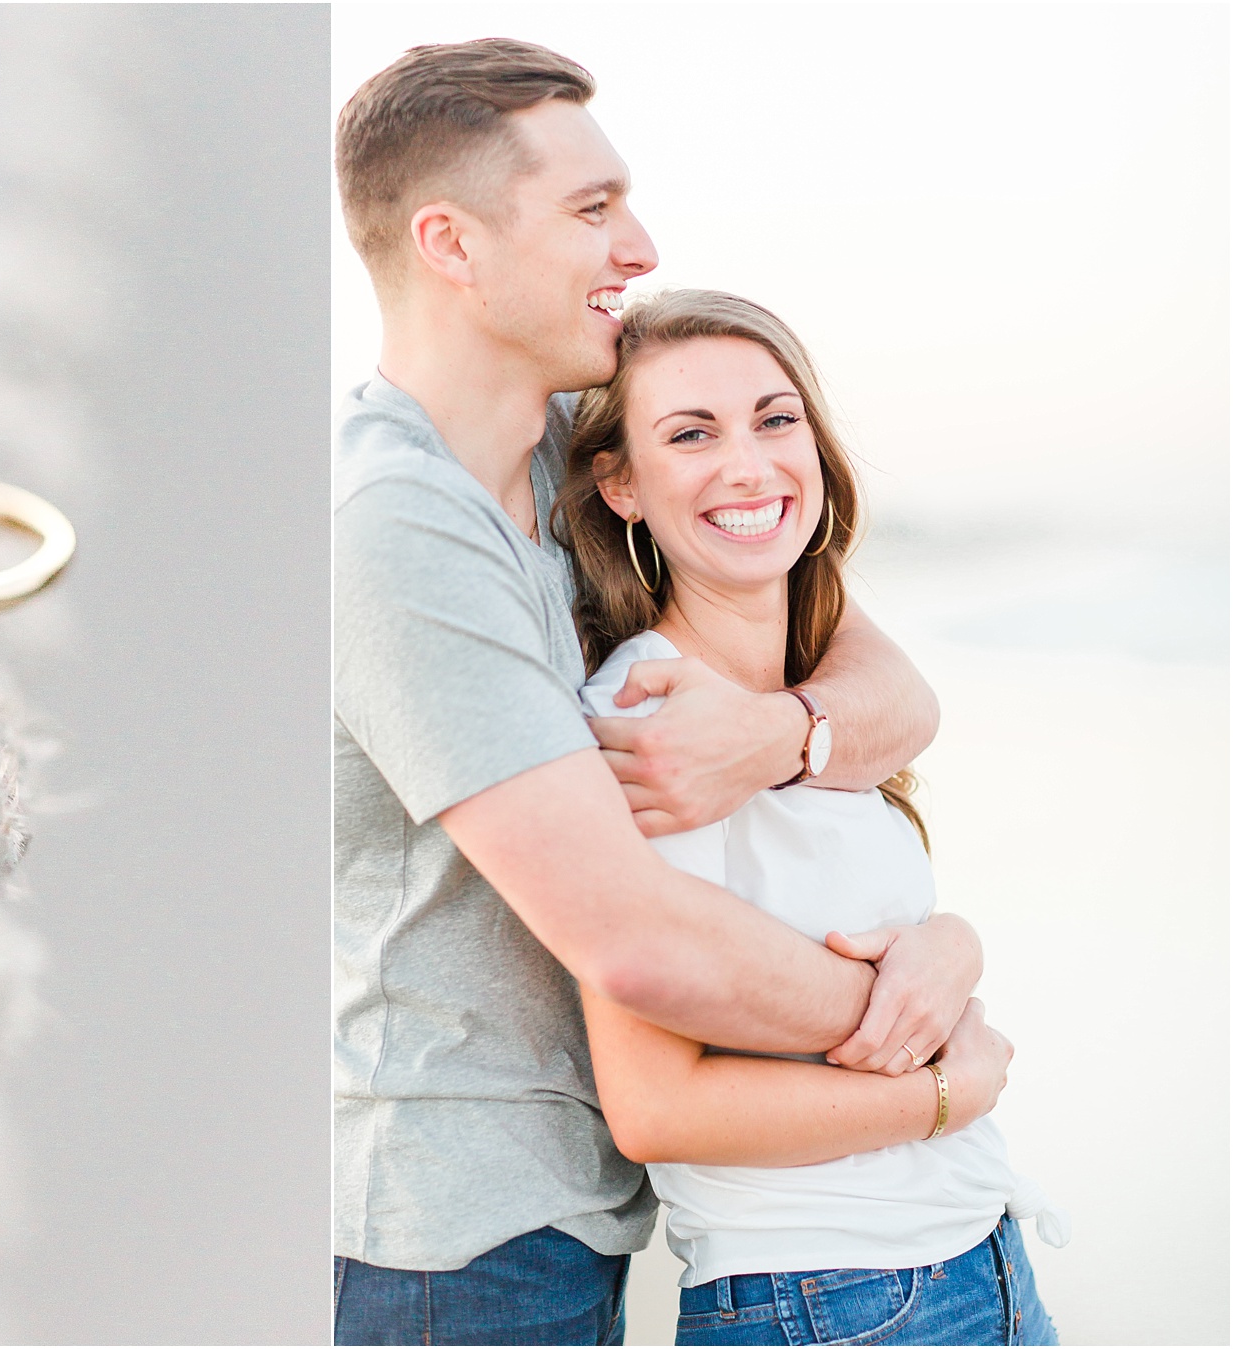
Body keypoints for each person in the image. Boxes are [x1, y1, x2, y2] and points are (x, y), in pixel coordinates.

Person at [335, 39, 986, 1345]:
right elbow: (636, 937)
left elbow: (883, 680)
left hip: (581, 1210)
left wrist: (779, 736)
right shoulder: (400, 524)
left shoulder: (544, 467)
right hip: (450, 1235)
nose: (636, 244)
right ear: (451, 244)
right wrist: (930, 1040)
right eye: (592, 209)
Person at [562, 288, 1066, 1345]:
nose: (747, 464)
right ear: (621, 484)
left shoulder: (814, 692)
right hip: (826, 1296)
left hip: (978, 1260)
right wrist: (944, 1093)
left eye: (774, 418)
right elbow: (657, 1103)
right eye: (690, 433)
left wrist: (951, 946)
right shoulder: (648, 715)